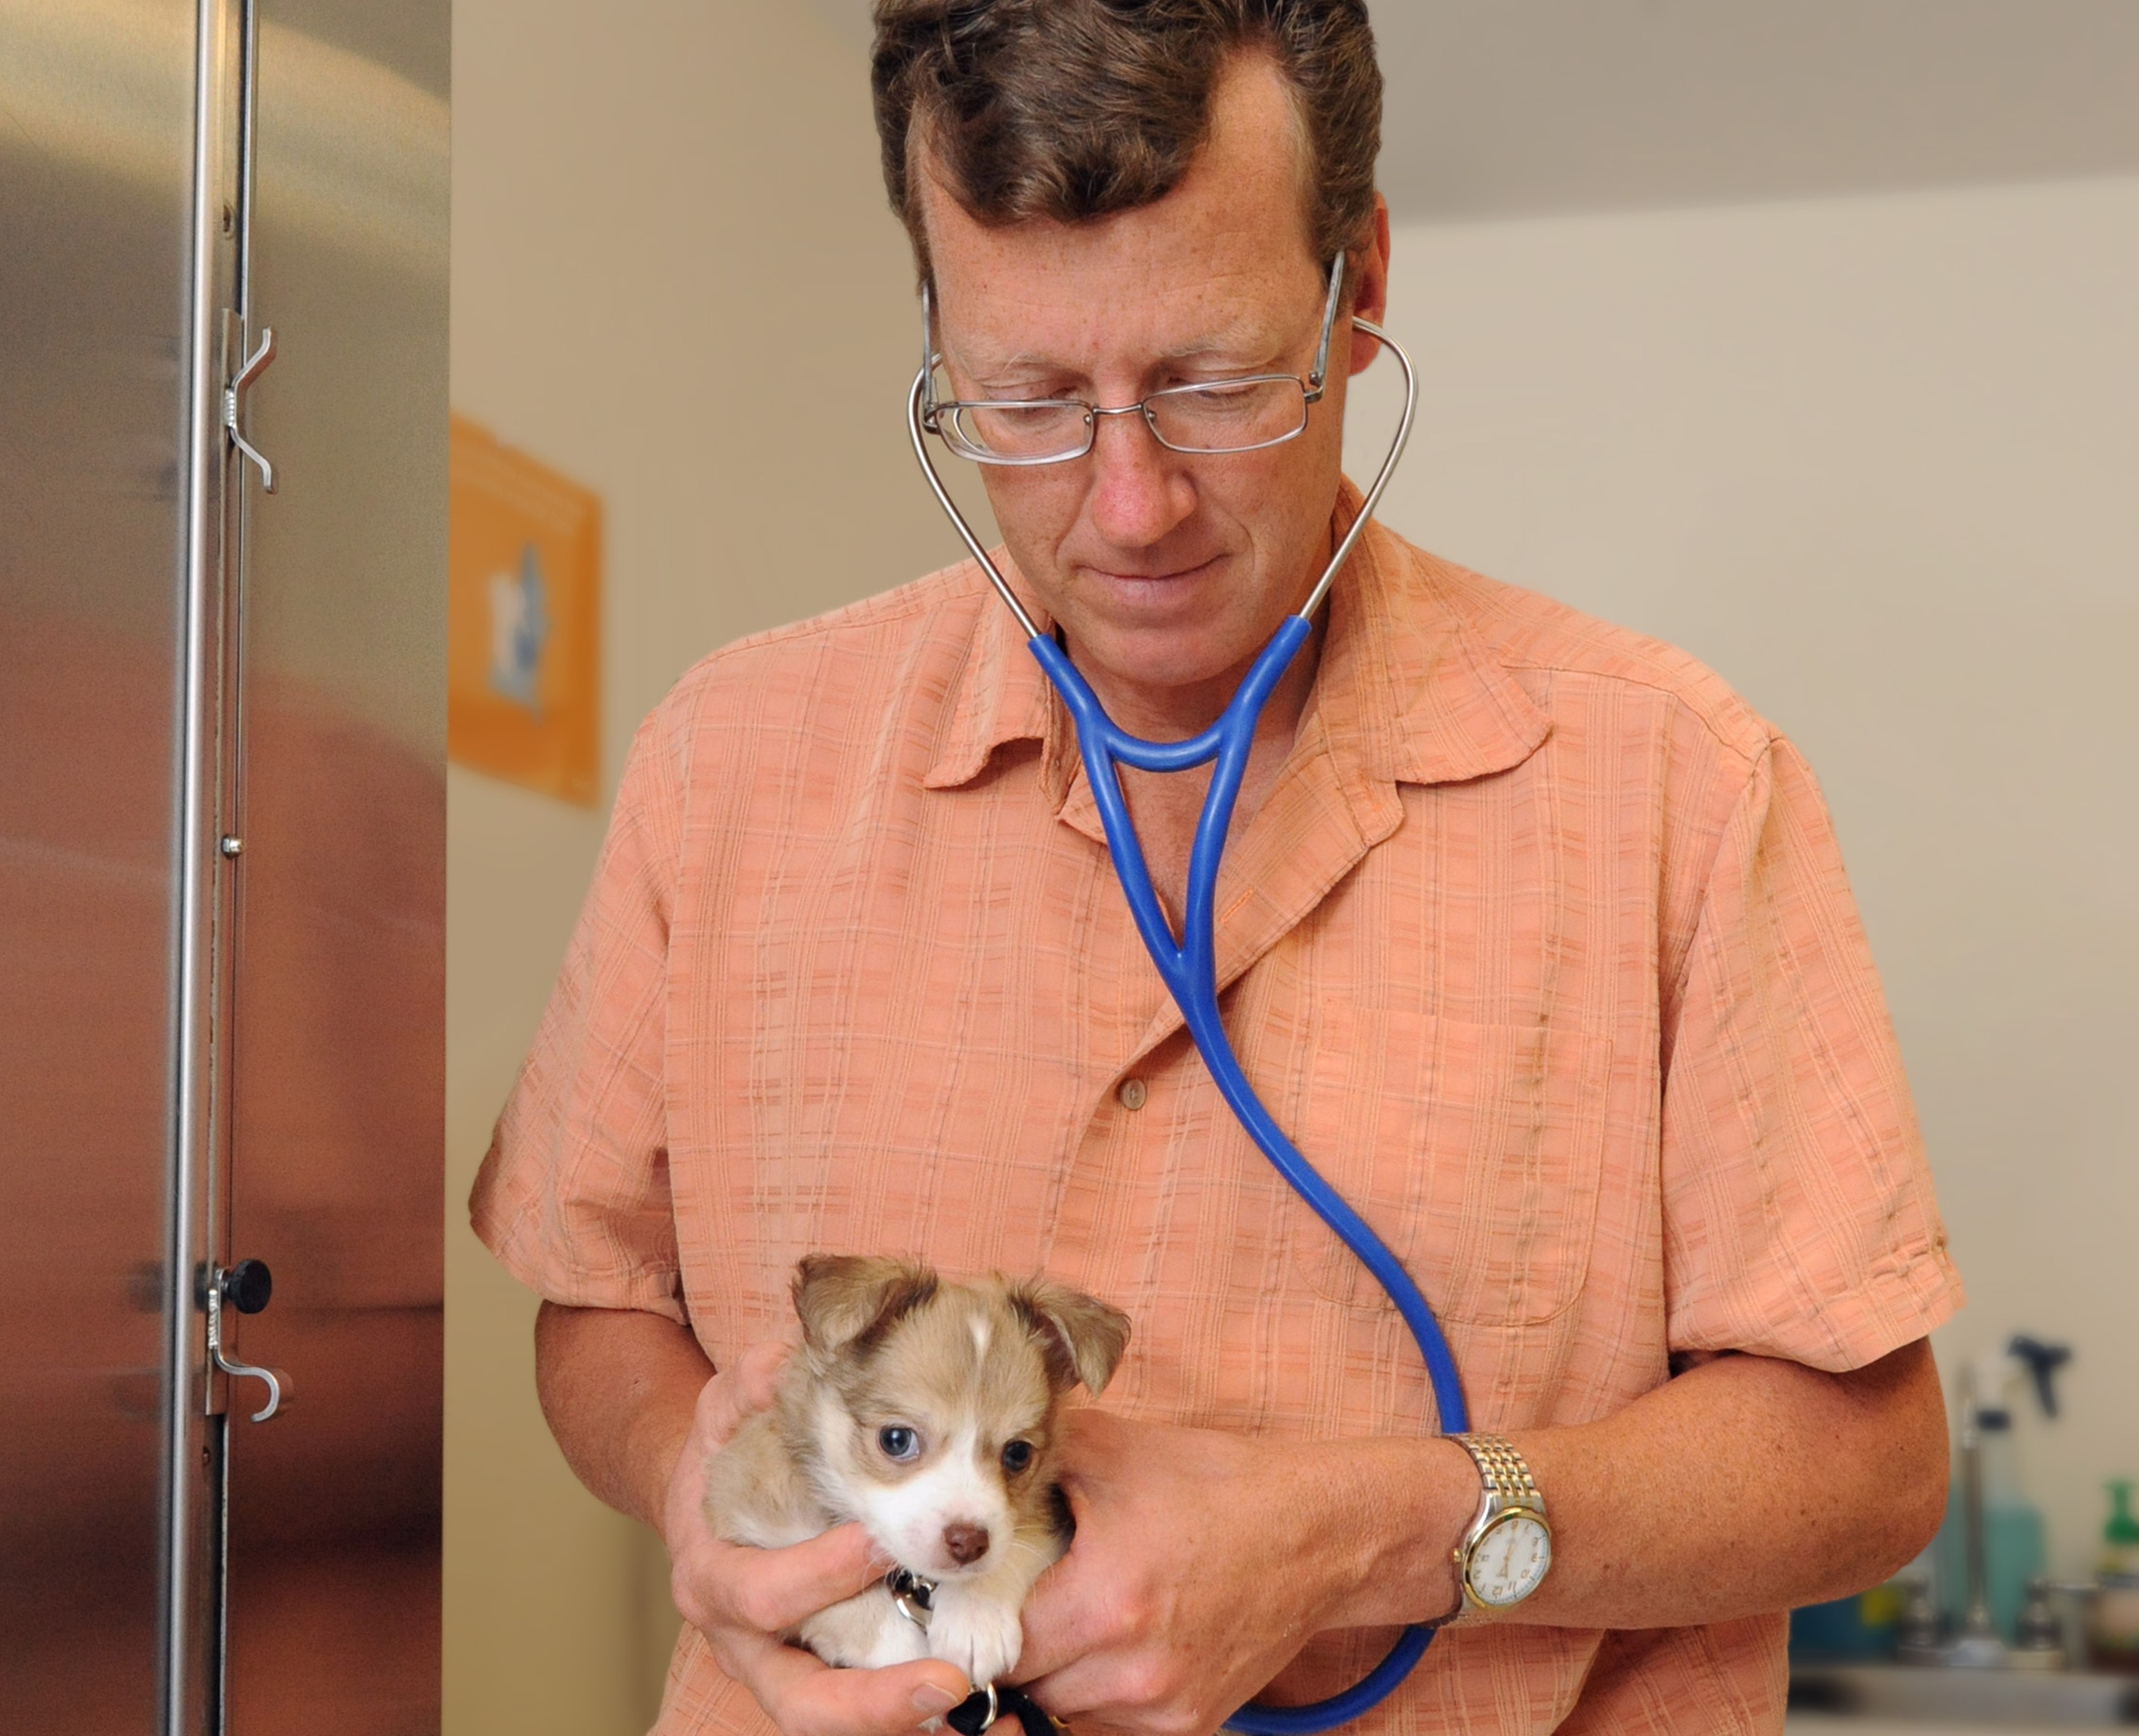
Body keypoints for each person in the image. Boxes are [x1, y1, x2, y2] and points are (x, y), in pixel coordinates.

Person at [471, 4, 1963, 1732]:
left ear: (1363, 284)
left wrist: (1369, 1538)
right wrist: (690, 1482)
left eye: (1214, 381)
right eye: (1025, 398)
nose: (1129, 505)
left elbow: (1871, 1465)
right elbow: (593, 1312)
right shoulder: (723, 764)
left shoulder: (1675, 788)